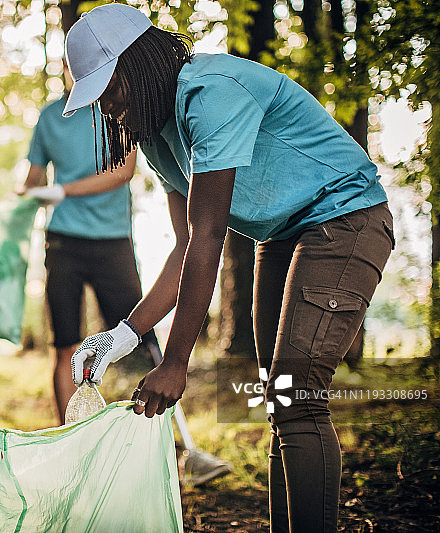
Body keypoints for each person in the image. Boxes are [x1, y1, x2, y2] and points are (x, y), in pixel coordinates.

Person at [64, 4, 394, 533]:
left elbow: (209, 238)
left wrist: (176, 363)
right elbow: (182, 250)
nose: (106, 103)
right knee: (281, 397)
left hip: (344, 218)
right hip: (284, 234)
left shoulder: (211, 93)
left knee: (299, 394)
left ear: (138, 65)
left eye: (109, 85)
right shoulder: (154, 134)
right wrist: (126, 334)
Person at [22, 61, 230, 486]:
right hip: (61, 243)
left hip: (113, 243)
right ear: (63, 71)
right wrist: (25, 195)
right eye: (70, 69)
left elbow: (123, 171)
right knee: (65, 346)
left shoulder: (114, 109)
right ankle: (74, 450)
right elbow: (32, 180)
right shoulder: (48, 118)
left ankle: (182, 451)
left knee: (145, 342)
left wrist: (62, 190)